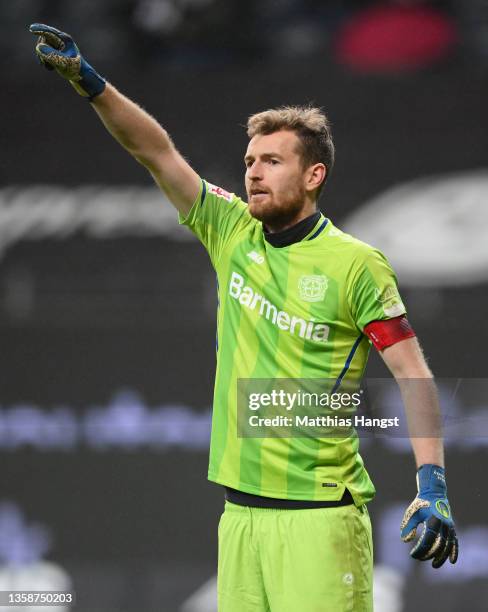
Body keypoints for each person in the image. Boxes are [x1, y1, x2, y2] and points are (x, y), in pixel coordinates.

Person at [29, 24, 458, 611]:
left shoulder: (356, 265)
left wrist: (431, 483)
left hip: (320, 521)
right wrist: (92, 84)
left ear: (314, 176)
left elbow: (413, 374)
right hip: (240, 519)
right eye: (250, 160)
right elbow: (154, 151)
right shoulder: (230, 229)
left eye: (272, 161)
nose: (254, 172)